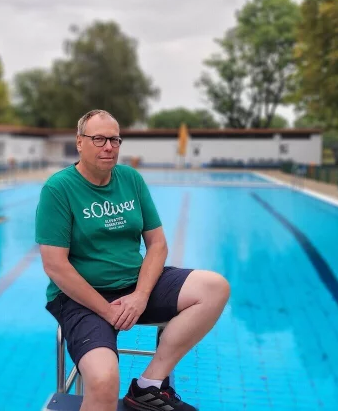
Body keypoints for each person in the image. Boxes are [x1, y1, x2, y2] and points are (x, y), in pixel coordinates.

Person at [36, 109, 230, 411]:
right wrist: (106, 311)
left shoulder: (130, 179)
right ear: (79, 142)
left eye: (114, 140)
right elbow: (55, 265)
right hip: (81, 298)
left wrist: (140, 295)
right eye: (99, 139)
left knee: (214, 288)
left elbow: (157, 244)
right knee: (103, 382)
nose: (108, 147)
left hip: (134, 285)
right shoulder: (59, 189)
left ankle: (148, 385)